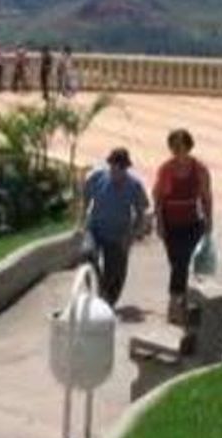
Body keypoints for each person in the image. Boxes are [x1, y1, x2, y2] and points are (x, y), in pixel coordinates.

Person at [152, 129, 214, 324]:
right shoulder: (165, 169)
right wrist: (160, 223)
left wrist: (209, 220)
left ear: (188, 146)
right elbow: (158, 198)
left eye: (180, 146)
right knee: (176, 262)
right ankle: (182, 299)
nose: (176, 150)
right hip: (171, 223)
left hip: (192, 223)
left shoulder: (200, 169)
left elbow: (206, 196)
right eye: (173, 147)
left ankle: (175, 302)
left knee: (183, 261)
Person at [82, 148, 150, 307]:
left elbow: (141, 212)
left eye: (119, 169)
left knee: (114, 272)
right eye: (112, 167)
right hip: (95, 229)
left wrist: (133, 234)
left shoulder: (134, 186)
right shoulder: (98, 178)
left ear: (125, 168)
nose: (115, 172)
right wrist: (83, 215)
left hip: (118, 234)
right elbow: (86, 194)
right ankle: (97, 287)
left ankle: (107, 301)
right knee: (86, 254)